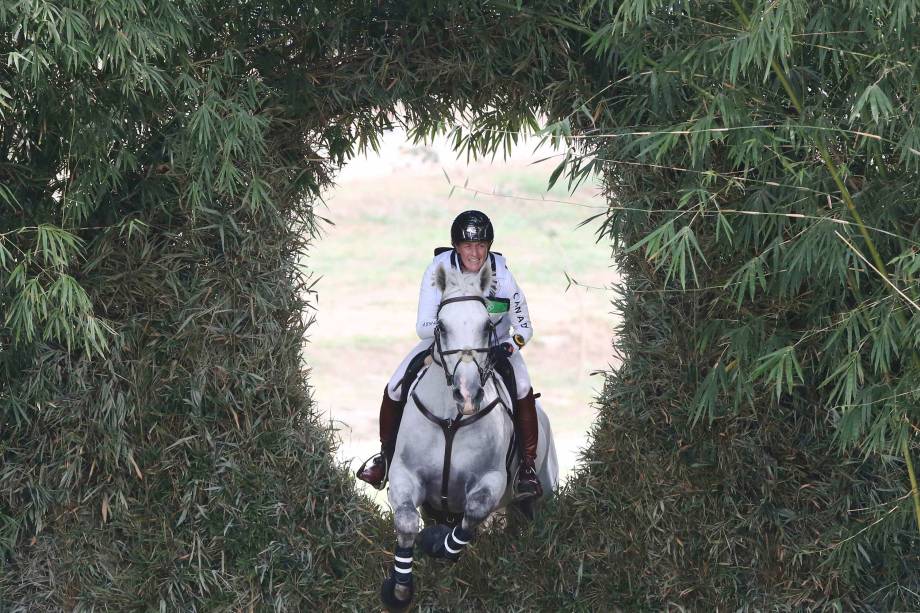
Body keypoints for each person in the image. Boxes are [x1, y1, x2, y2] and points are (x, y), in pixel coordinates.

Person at [356, 210, 543, 499]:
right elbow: (423, 326)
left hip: (493, 344)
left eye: (482, 245)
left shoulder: (502, 274)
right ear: (456, 246)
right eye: (468, 246)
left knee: (521, 386)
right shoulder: (438, 270)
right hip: (445, 344)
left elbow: (524, 326)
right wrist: (454, 335)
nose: (475, 253)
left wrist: (510, 346)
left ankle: (527, 468)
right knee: (395, 386)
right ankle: (385, 458)